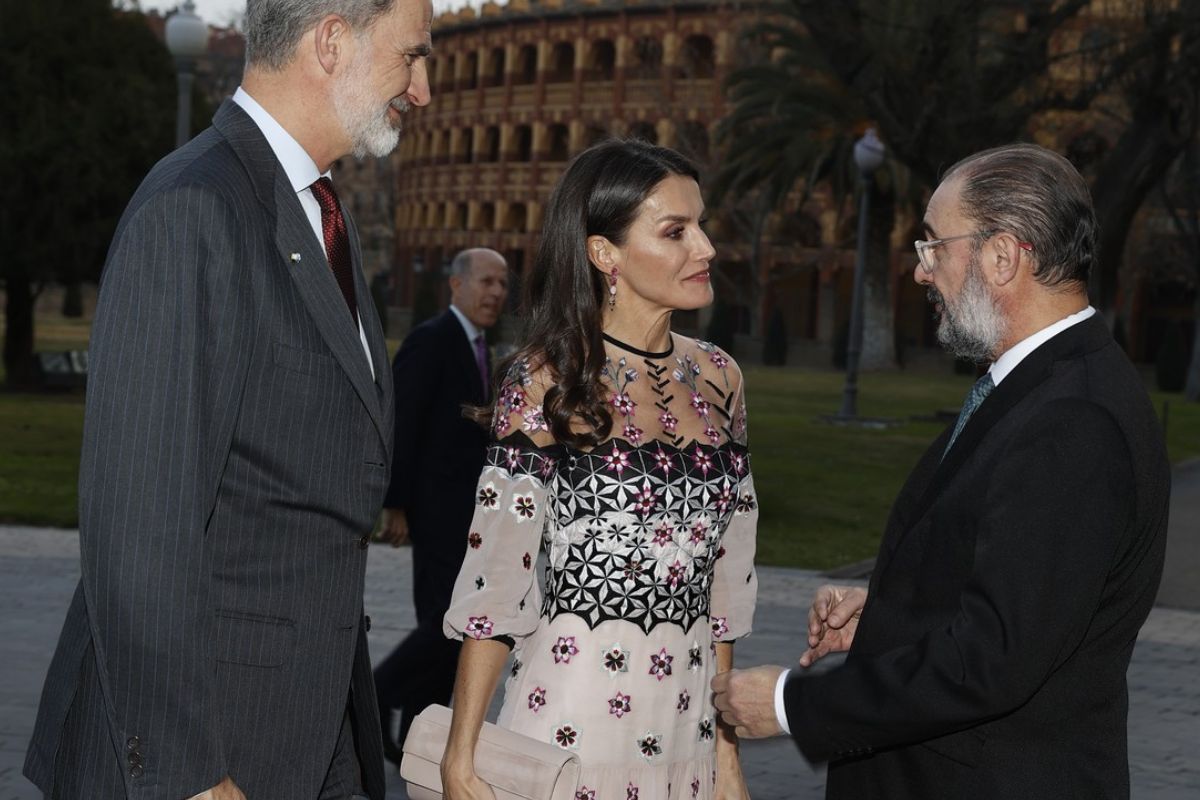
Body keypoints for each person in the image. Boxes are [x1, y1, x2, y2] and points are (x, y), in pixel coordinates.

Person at [23, 1, 432, 798]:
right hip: (209, 752)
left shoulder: (319, 214)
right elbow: (138, 526)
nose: (422, 90)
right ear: (331, 41)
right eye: (412, 56)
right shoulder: (194, 208)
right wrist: (190, 775)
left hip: (311, 734)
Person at [711, 143, 1171, 799]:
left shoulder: (1072, 418)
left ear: (1002, 256)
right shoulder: (1044, 382)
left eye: (933, 246)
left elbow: (993, 660)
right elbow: (1031, 591)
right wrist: (895, 612)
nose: (922, 272)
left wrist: (793, 705)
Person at [438, 140, 759, 800]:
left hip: (688, 727)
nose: (706, 249)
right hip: (572, 727)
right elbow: (498, 584)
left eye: (702, 225)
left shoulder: (721, 377)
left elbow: (725, 589)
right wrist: (461, 756)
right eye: (675, 231)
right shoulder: (546, 382)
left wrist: (727, 760)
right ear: (603, 253)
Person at [374, 248, 510, 763]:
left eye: (502, 284)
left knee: (448, 629)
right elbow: (402, 423)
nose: (496, 293)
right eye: (486, 282)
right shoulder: (432, 340)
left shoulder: (480, 348)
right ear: (456, 286)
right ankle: (374, 694)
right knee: (447, 625)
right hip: (435, 513)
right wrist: (398, 504)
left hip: (468, 516)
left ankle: (416, 741)